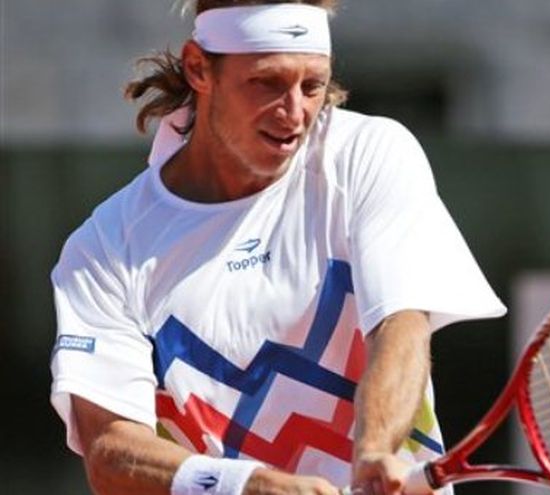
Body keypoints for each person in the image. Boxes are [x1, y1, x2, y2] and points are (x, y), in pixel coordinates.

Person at [48, 1, 506, 494]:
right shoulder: (104, 247)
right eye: (267, 83)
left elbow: (401, 326)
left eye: (312, 86)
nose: (294, 113)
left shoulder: (370, 154)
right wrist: (252, 486)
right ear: (199, 68)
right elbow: (111, 451)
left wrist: (374, 450)